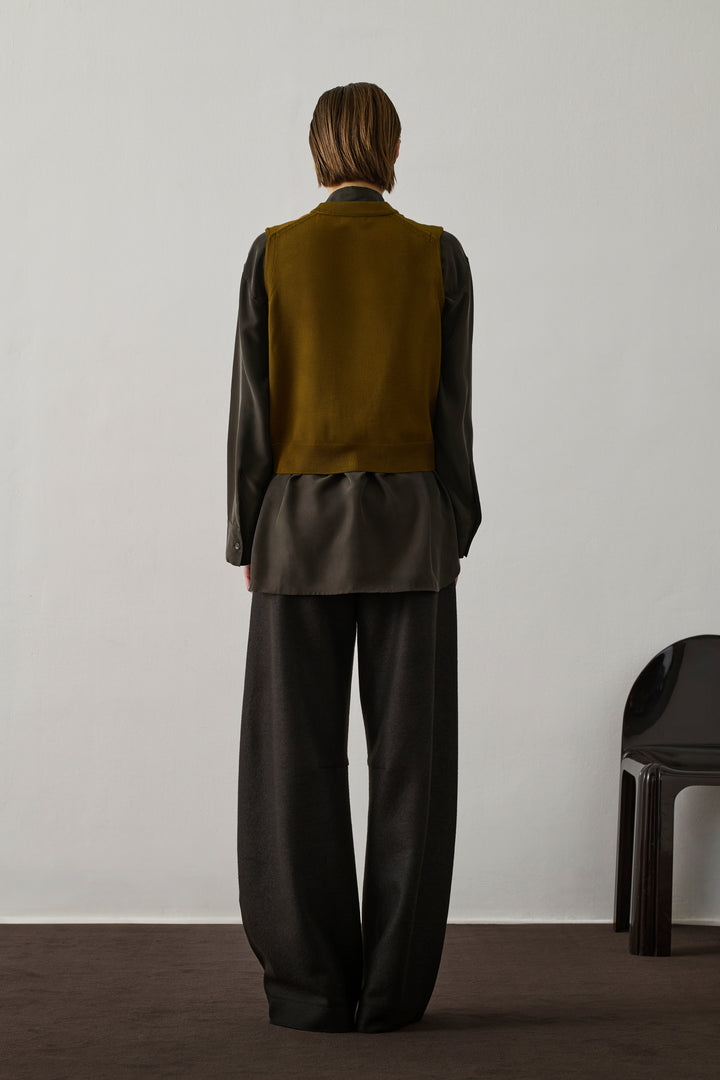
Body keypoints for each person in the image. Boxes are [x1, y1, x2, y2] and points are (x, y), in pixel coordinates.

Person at [226, 81, 482, 1034]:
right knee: (413, 767)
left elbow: (252, 409)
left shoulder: (274, 253)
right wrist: (454, 524)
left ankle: (311, 989)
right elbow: (452, 411)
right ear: (393, 149)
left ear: (319, 150)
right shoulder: (439, 255)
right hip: (412, 532)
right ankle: (392, 993)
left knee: (292, 765)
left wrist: (245, 532)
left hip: (294, 535)